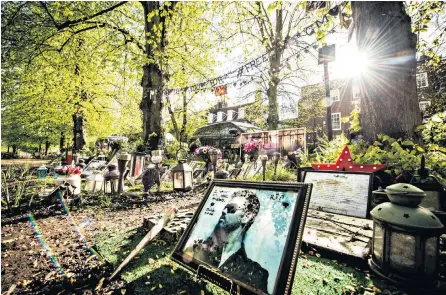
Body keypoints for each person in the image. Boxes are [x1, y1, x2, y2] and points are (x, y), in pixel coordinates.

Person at [184, 190, 269, 293]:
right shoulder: (203, 249)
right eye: (224, 208)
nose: (223, 212)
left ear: (246, 217)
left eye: (231, 208)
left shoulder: (255, 273)